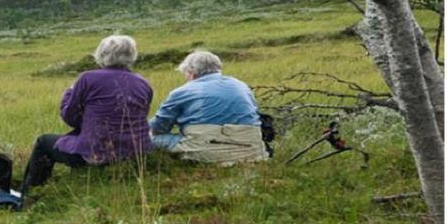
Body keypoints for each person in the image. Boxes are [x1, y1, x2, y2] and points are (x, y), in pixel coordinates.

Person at [20, 35, 154, 192]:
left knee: (43, 143)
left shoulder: (88, 78)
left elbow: (69, 116)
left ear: (101, 54)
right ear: (132, 55)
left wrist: (69, 93)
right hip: (136, 153)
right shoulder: (144, 83)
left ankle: (30, 192)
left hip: (97, 154)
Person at [149, 50, 267, 164]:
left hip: (207, 150)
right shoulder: (241, 85)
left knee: (143, 139)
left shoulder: (182, 92)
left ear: (191, 72)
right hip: (252, 149)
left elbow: (159, 127)